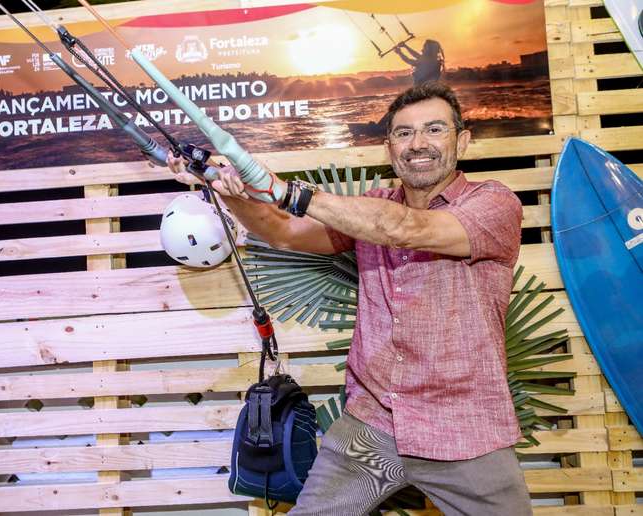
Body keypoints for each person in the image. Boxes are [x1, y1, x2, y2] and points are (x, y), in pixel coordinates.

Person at [166, 82, 530, 516]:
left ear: (462, 140)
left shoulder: (493, 204)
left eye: (434, 129)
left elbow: (406, 229)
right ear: (389, 148)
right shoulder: (370, 207)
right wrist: (226, 188)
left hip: (466, 429)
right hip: (373, 424)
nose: (418, 143)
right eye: (404, 133)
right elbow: (283, 231)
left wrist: (291, 192)